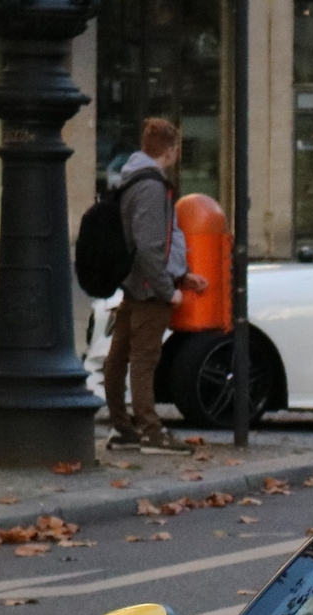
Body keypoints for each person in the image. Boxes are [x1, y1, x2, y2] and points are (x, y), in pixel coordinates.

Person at [102, 116, 207, 454]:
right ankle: (150, 430)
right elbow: (150, 245)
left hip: (135, 283)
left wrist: (181, 273)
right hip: (149, 288)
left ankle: (122, 427)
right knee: (144, 359)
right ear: (172, 151)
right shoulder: (151, 186)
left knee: (119, 357)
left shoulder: (133, 178)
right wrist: (168, 288)